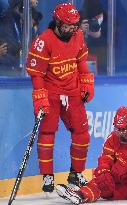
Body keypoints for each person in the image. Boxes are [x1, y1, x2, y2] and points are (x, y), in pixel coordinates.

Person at [26, 2, 94, 193]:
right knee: (47, 133)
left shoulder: (78, 35)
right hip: (52, 92)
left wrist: (87, 82)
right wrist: (40, 98)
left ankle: (76, 174)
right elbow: (37, 74)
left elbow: (81, 61)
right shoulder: (43, 41)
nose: (73, 29)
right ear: (57, 22)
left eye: (75, 25)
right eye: (68, 25)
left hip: (73, 92)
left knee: (82, 134)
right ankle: (47, 176)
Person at [55, 106, 127, 205]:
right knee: (99, 182)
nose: (122, 134)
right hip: (119, 184)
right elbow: (105, 158)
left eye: (126, 130)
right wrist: (103, 172)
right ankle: (80, 195)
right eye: (118, 129)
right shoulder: (112, 138)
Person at [79, 0, 107, 75]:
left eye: (99, 15)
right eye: (95, 16)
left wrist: (90, 31)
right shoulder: (79, 18)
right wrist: (80, 29)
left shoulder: (104, 18)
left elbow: (98, 34)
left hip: (95, 48)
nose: (98, 17)